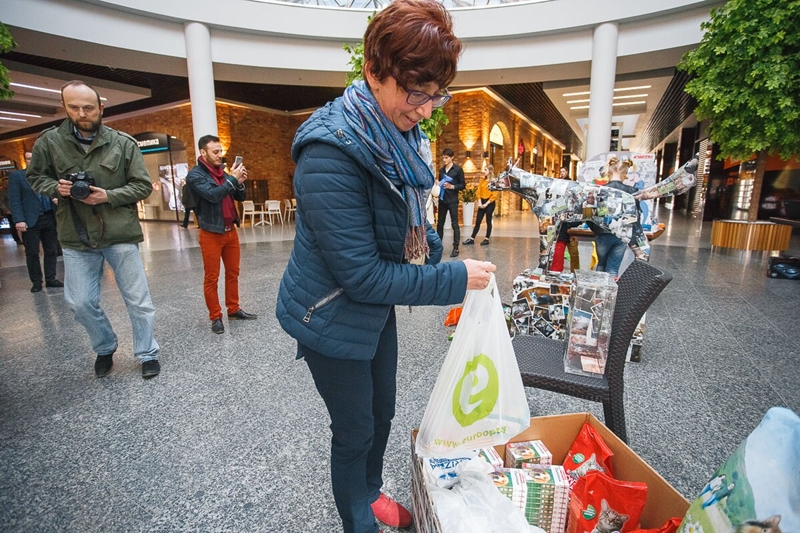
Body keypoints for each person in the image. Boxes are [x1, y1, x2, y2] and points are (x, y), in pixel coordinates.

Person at [275, 2, 496, 531]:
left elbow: (405, 221)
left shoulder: (398, 136)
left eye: (437, 94)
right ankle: (359, 519)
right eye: (416, 93)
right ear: (374, 72)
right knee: (354, 429)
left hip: (372, 311)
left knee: (383, 413)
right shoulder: (329, 152)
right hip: (329, 314)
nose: (426, 109)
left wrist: (433, 251)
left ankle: (370, 492)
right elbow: (363, 275)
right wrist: (453, 278)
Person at [27, 80, 160, 379]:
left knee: (138, 300)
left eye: (88, 107)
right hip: (76, 235)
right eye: (74, 107)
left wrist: (108, 196)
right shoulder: (49, 142)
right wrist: (57, 188)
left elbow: (142, 186)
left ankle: (147, 352)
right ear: (64, 107)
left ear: (101, 107)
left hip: (119, 232)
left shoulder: (122, 143)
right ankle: (105, 345)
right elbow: (35, 177)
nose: (82, 113)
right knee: (80, 302)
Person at [186, 135, 257, 334]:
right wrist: (232, 179)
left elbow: (240, 196)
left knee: (233, 273)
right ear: (203, 153)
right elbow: (213, 195)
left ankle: (233, 309)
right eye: (215, 152)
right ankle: (215, 316)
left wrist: (239, 182)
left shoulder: (223, 174)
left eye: (220, 151)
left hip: (230, 231)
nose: (219, 155)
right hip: (211, 233)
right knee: (212, 277)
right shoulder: (196, 176)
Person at [8, 150, 63, 292]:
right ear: (25, 161)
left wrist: (57, 200)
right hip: (30, 219)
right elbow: (14, 200)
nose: (31, 161)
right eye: (28, 158)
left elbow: (56, 191)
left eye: (34, 157)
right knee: (32, 253)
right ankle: (36, 282)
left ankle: (51, 279)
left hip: (49, 216)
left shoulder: (48, 174)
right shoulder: (17, 176)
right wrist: (19, 220)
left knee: (51, 250)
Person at [591, 160, 639, 277]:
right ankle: (611, 288)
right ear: (625, 173)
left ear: (609, 171)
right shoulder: (632, 191)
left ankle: (599, 288)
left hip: (603, 233)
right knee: (613, 268)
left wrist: (596, 230)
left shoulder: (599, 190)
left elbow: (592, 213)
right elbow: (635, 216)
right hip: (623, 234)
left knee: (601, 265)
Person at [550, 167, 581, 272]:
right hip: (562, 227)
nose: (562, 173)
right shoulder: (559, 190)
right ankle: (558, 272)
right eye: (561, 171)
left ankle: (574, 273)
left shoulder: (572, 186)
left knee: (574, 253)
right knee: (559, 252)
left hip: (571, 227)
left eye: (563, 171)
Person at [436, 147, 465, 257]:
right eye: (443, 158)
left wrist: (452, 186)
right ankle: (438, 247)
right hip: (442, 200)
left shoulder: (458, 170)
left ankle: (456, 248)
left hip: (452, 201)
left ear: (452, 157)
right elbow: (440, 185)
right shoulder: (441, 170)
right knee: (440, 224)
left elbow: (463, 185)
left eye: (446, 158)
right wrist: (437, 185)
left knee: (455, 224)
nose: (444, 160)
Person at [462, 164, 497, 246]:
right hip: (482, 201)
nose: (484, 171)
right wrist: (480, 202)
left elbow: (494, 195)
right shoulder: (482, 181)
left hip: (490, 203)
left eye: (485, 170)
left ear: (490, 171)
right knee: (478, 221)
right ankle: (472, 238)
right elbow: (478, 192)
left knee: (488, 221)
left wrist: (486, 204)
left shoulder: (494, 182)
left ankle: (486, 238)